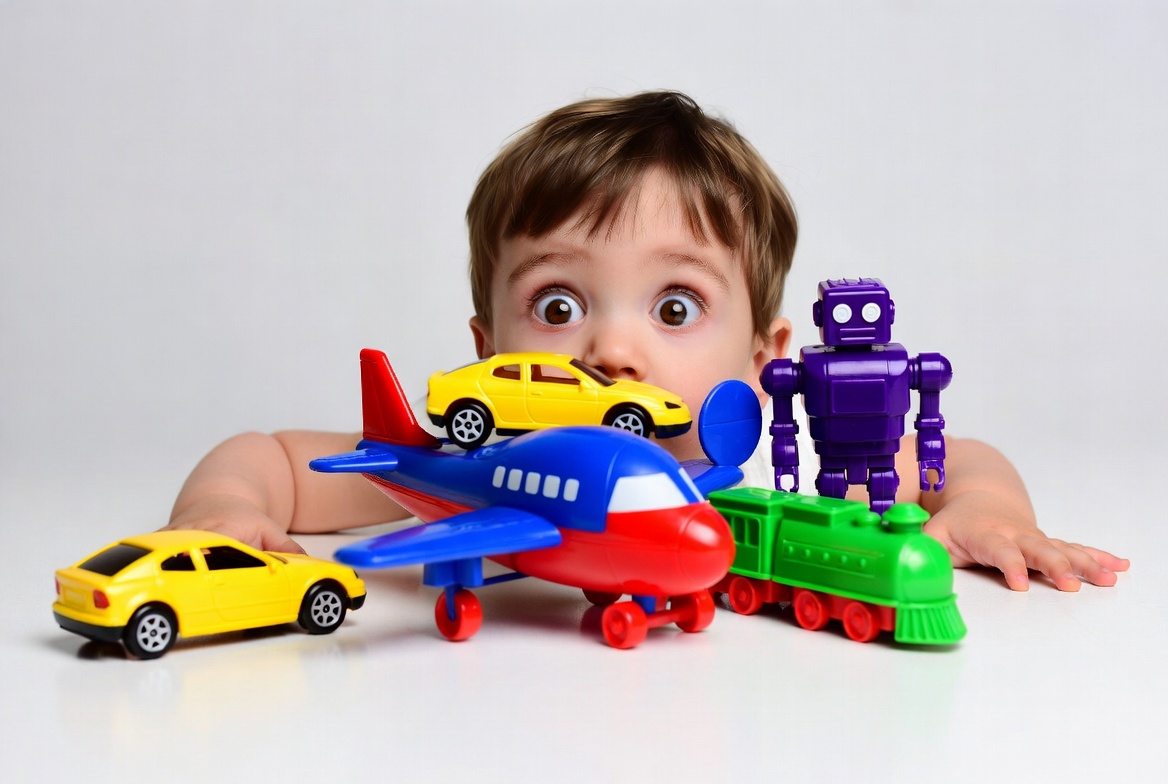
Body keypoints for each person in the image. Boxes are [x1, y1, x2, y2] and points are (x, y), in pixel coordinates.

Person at [167, 90, 1127, 592]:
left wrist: (987, 510)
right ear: (487, 353)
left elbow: (960, 458)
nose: (610, 351)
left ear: (765, 360)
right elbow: (270, 459)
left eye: (674, 308)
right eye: (557, 307)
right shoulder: (478, 472)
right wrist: (220, 513)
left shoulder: (778, 477)